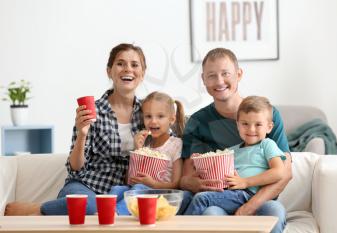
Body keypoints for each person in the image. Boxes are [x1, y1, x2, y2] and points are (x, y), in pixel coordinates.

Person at [5, 43, 147, 215]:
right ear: (109, 71)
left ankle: (108, 211)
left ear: (142, 73)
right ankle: (38, 209)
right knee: (91, 206)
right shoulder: (92, 111)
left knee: (151, 202)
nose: (127, 69)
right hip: (87, 187)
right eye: (120, 63)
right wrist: (82, 133)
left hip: (124, 193)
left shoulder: (149, 114)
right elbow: (76, 168)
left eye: (134, 64)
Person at [180, 48, 292, 233]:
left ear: (239, 74)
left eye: (226, 74)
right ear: (203, 80)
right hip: (219, 200)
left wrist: (249, 207)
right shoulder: (197, 122)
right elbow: (185, 178)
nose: (219, 81)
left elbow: (285, 173)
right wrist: (197, 184)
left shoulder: (266, 115)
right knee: (210, 215)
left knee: (275, 214)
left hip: (262, 199)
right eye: (212, 75)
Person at [184, 96, 286, 218]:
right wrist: (200, 159)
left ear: (269, 127)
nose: (251, 129)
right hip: (231, 195)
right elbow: (217, 169)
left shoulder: (267, 144)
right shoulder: (231, 151)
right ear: (238, 125)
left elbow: (279, 172)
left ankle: (179, 229)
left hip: (249, 194)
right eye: (245, 124)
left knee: (202, 199)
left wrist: (245, 182)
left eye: (258, 124)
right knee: (204, 203)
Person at [110, 91, 185, 215]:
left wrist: (152, 184)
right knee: (118, 189)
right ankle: (102, 212)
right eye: (148, 116)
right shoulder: (146, 144)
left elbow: (177, 184)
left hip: (161, 195)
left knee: (139, 188)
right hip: (138, 189)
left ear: (171, 119)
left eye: (160, 116)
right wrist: (137, 150)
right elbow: (129, 179)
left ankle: (115, 213)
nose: (153, 121)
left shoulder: (176, 144)